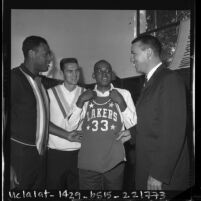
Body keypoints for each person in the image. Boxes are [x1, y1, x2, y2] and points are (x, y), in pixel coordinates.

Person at [10, 36, 80, 190]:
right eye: (46, 54)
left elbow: (41, 121)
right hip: (19, 158)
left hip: (41, 158)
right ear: (31, 54)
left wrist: (66, 135)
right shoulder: (13, 79)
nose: (50, 58)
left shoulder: (41, 82)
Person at [130, 34, 190, 190]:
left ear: (148, 53)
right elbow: (152, 121)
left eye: (134, 54)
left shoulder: (169, 80)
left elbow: (173, 132)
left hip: (161, 174)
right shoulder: (151, 81)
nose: (132, 59)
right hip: (147, 163)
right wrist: (131, 134)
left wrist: (158, 174)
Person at [70, 59, 137, 190]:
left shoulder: (123, 94)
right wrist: (80, 101)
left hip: (114, 162)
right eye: (99, 71)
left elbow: (134, 126)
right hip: (88, 163)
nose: (104, 74)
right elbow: (71, 126)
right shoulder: (84, 95)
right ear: (94, 75)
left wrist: (121, 103)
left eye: (107, 71)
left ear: (112, 75)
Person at [46, 58, 85, 189]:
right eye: (70, 71)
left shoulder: (86, 94)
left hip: (79, 152)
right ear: (62, 73)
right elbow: (44, 122)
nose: (74, 75)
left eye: (77, 71)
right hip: (55, 153)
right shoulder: (49, 93)